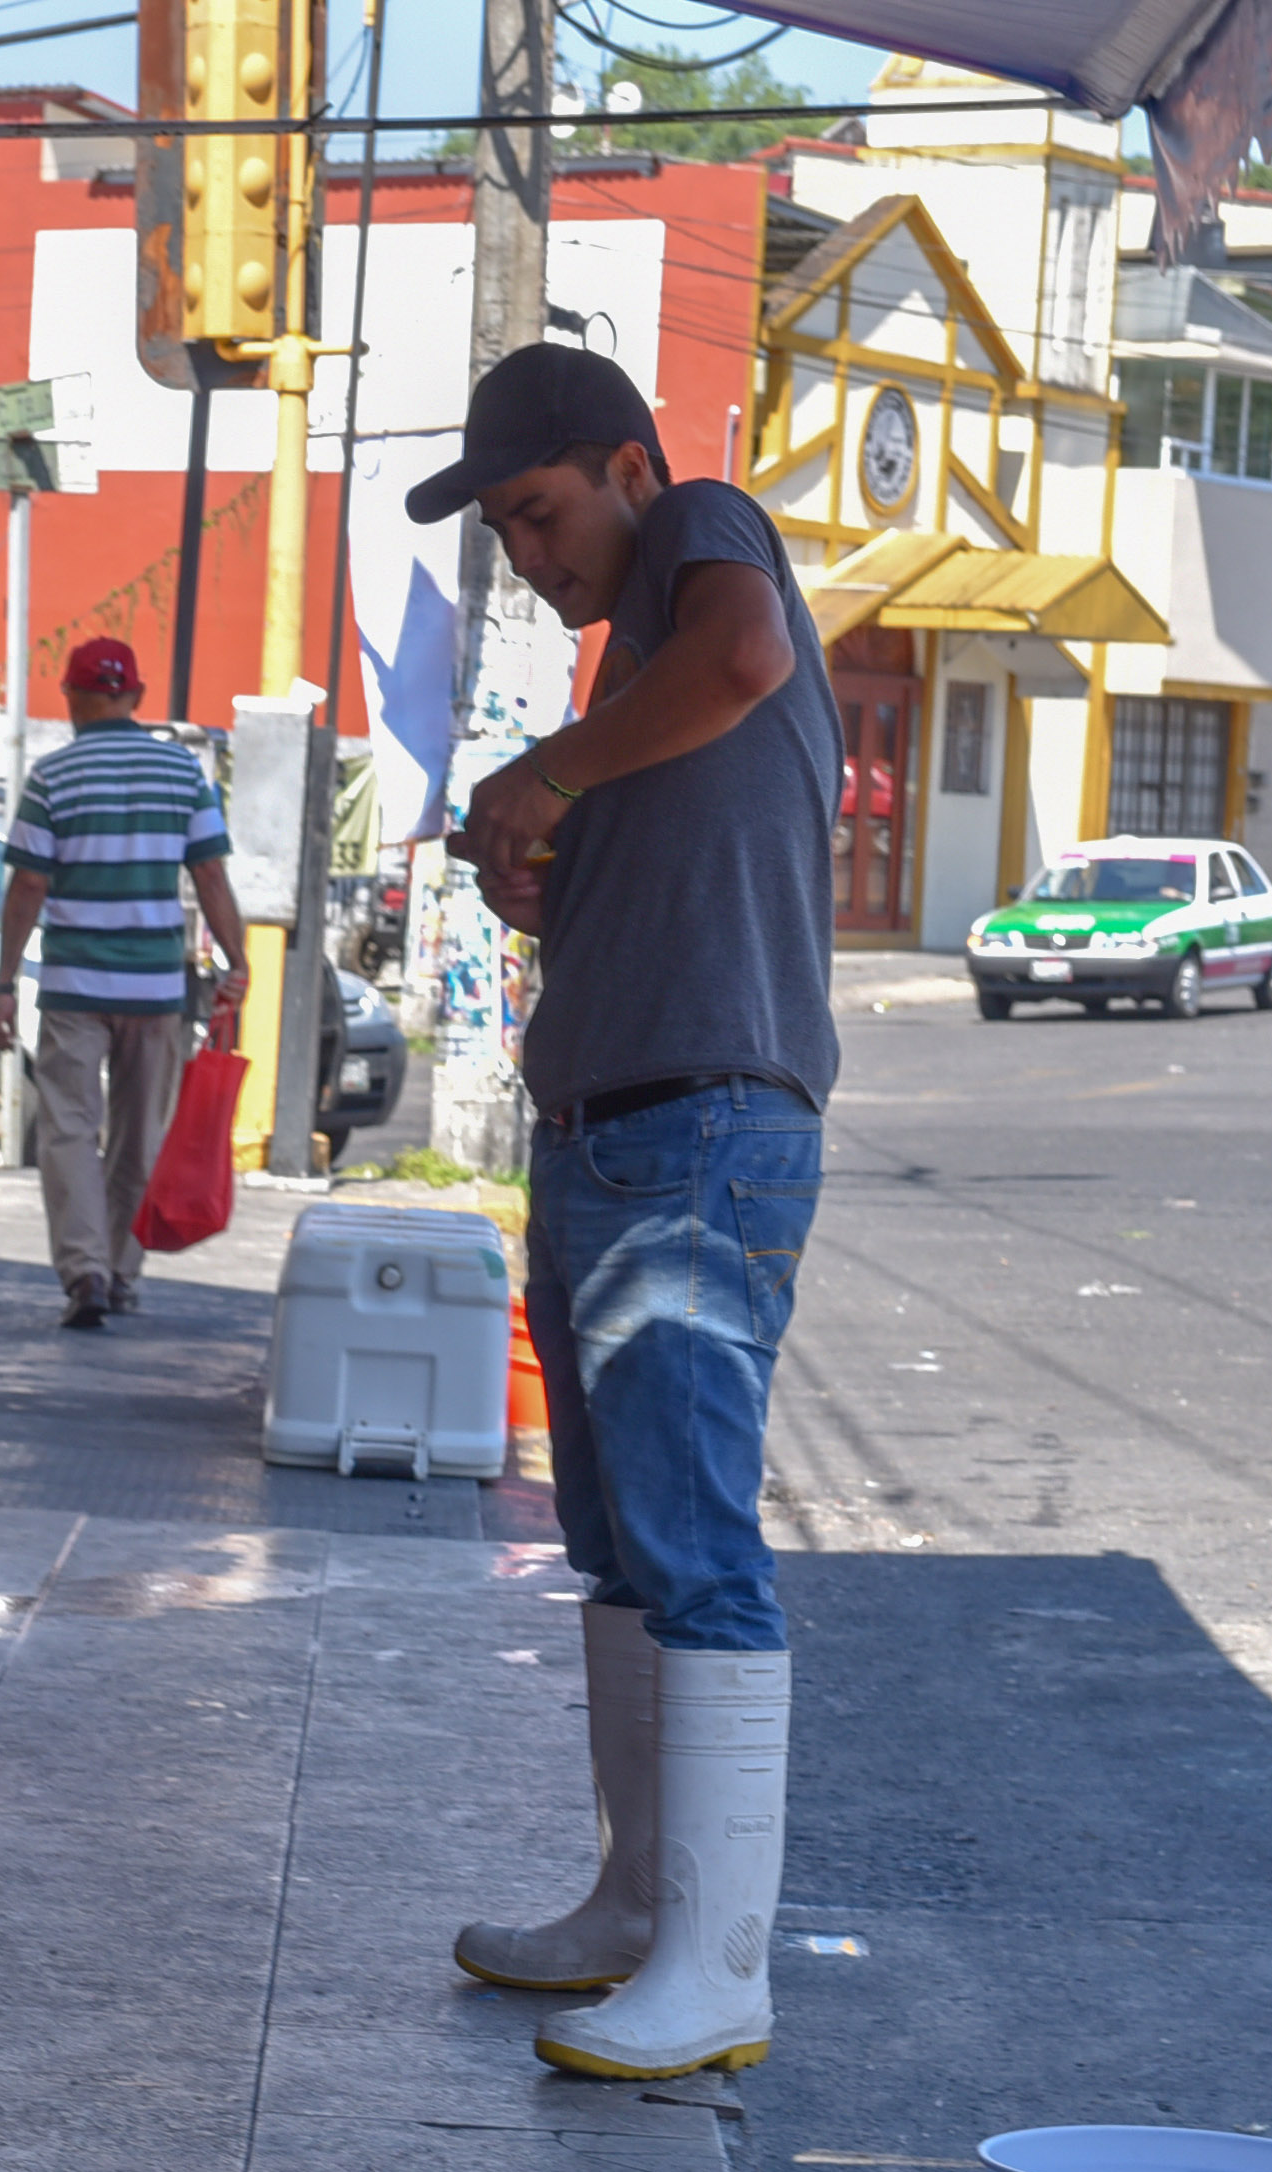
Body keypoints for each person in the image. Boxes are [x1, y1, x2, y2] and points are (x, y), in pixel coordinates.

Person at [417, 344, 840, 2083]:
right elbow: (632, 847)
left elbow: (748, 655)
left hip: (702, 1134)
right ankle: (635, 1906)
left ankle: (719, 1964)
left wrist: (554, 773)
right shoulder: (630, 680)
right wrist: (522, 854)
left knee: (694, 1546)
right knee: (615, 1542)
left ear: (629, 469)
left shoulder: (707, 548)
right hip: (602, 1128)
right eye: (508, 531)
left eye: (539, 510)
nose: (530, 554)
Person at [0, 637, 249, 1330]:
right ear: (133, 696)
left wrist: (4, 981)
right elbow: (211, 875)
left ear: (72, 698)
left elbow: (28, 885)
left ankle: (84, 1274)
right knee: (141, 1136)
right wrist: (236, 961)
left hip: (75, 989)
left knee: (69, 1132)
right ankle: (120, 1271)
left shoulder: (52, 775)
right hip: (153, 990)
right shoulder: (181, 771)